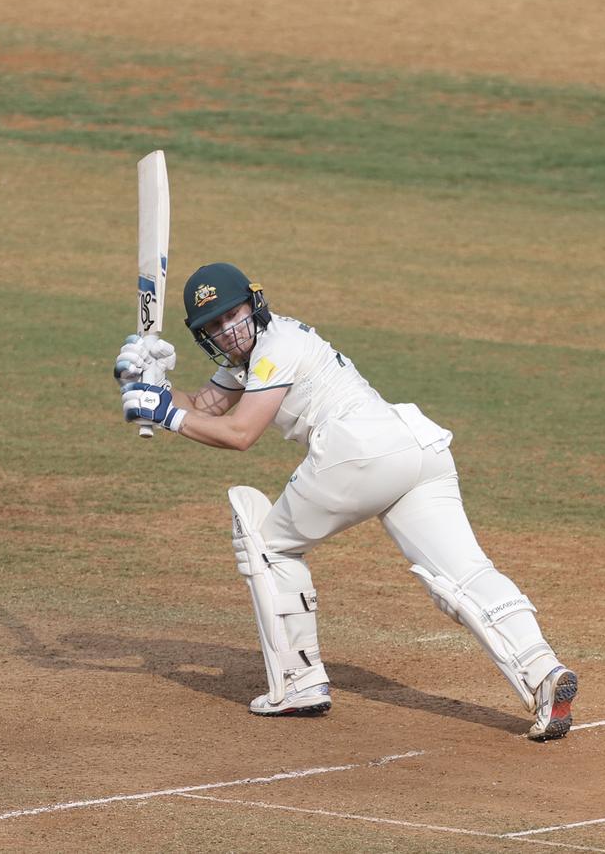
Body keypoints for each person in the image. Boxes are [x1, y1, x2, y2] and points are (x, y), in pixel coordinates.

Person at [115, 262, 578, 740]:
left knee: (268, 546)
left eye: (230, 315)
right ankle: (545, 672)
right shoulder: (258, 353)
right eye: (211, 327)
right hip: (413, 448)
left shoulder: (276, 349)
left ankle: (299, 684)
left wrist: (164, 413)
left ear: (252, 304)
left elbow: (238, 434)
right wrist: (149, 385)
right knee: (466, 572)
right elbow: (207, 407)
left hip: (356, 451)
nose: (226, 332)